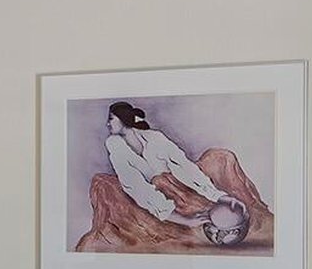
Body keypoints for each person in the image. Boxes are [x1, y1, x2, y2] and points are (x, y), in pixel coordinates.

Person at [103, 102, 250, 245]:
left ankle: (226, 217)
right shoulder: (114, 144)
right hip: (156, 198)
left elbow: (183, 165)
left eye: (111, 119)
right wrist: (184, 220)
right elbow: (136, 187)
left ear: (123, 120)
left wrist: (218, 195)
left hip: (178, 185)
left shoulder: (155, 137)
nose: (107, 124)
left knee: (222, 158)